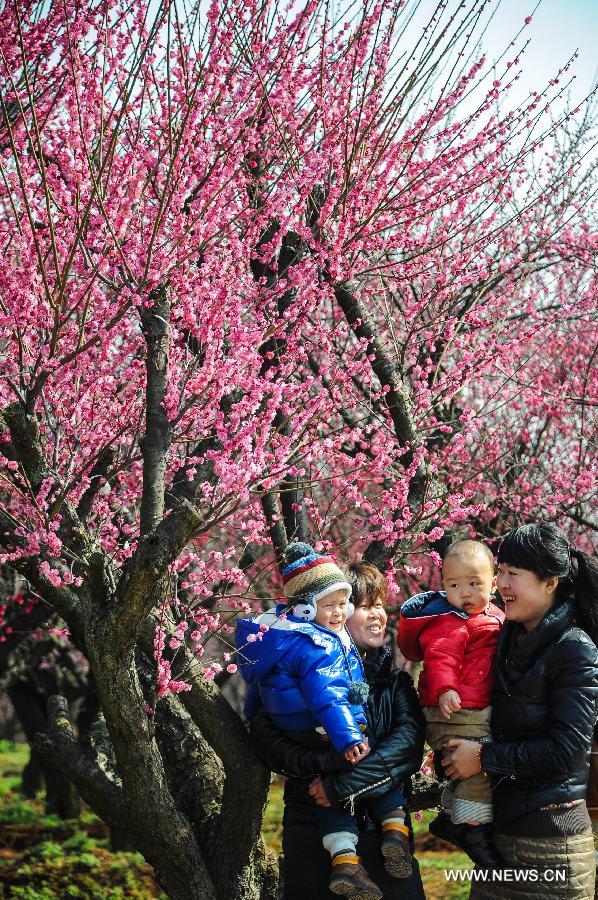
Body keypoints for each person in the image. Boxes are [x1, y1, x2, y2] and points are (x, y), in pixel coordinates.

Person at [236, 543, 413, 899]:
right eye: (363, 606)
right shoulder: (310, 657)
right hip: (312, 824)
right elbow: (271, 745)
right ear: (311, 611)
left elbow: (407, 748)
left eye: (378, 603)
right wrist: (330, 760)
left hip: (383, 832)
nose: (376, 614)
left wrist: (339, 782)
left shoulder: (395, 682)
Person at [441, 523, 598, 898]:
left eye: (514, 573)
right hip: (500, 840)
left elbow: (566, 752)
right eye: (501, 571)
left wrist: (482, 757)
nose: (501, 583)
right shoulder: (501, 639)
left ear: (550, 582)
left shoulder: (574, 649)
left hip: (552, 846)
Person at [398, 539, 505, 867]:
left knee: (483, 761)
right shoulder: (449, 620)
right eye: (454, 585)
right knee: (480, 768)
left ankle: (449, 815)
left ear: (494, 583)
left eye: (475, 584)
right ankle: (473, 830)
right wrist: (445, 688)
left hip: (470, 708)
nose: (465, 593)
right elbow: (441, 654)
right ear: (443, 585)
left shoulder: (495, 616)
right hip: (453, 709)